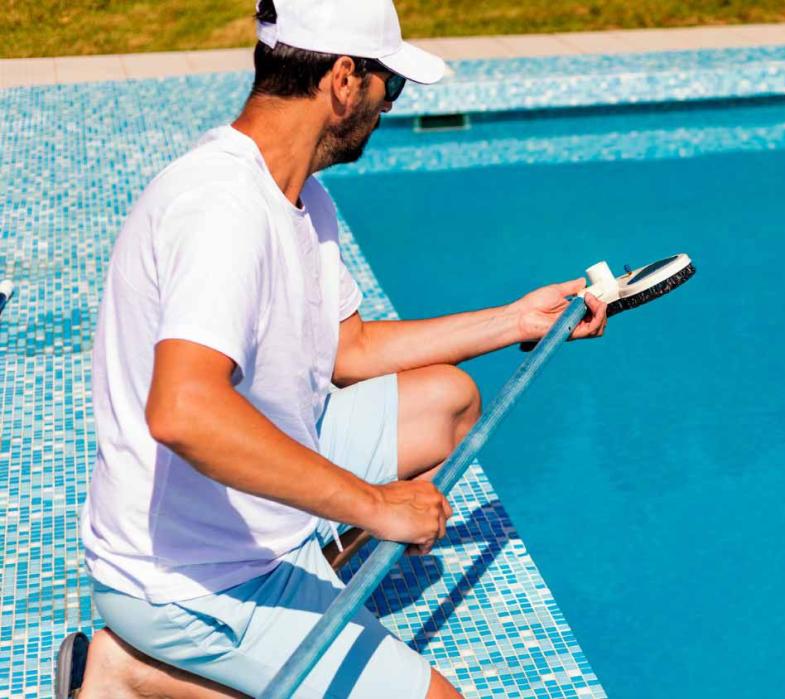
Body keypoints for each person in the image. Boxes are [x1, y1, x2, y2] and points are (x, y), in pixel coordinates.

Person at [61, 0, 608, 696]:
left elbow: (349, 348)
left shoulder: (297, 196)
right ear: (344, 80)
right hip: (185, 577)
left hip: (235, 507)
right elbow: (185, 411)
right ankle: (132, 675)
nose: (389, 107)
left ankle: (296, 585)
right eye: (392, 86)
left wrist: (514, 320)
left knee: (444, 401)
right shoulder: (221, 211)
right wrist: (373, 504)